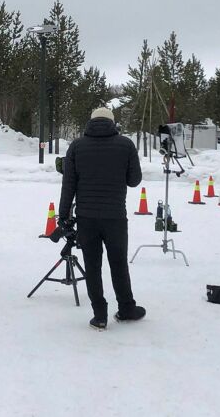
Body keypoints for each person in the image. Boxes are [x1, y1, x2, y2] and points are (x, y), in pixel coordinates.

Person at [58, 107, 145, 330]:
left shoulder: (77, 146)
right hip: (115, 216)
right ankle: (126, 308)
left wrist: (63, 216)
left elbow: (68, 185)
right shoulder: (125, 144)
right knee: (118, 264)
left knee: (92, 266)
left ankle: (99, 315)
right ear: (112, 122)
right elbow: (134, 180)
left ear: (91, 121)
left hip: (86, 217)